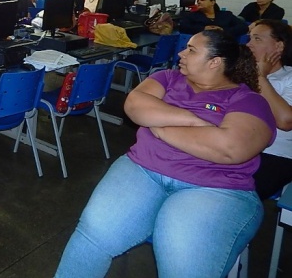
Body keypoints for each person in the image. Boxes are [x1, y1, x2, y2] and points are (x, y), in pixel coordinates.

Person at [55, 30, 276, 278]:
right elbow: (135, 105)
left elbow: (230, 148)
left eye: (191, 50)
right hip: (143, 169)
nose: (181, 53)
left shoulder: (248, 100)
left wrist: (159, 126)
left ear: (215, 62)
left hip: (214, 187)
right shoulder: (168, 77)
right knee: (93, 235)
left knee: (183, 268)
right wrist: (195, 122)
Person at [248, 20, 292, 199]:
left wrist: (260, 77)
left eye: (257, 39)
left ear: (279, 46)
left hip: (273, 155)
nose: (249, 44)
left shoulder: (289, 77)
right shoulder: (241, 75)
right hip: (237, 146)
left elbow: (285, 121)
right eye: (250, 38)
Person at [179, 0, 249, 37]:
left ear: (212, 2)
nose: (199, 2)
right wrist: (203, 29)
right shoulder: (192, 15)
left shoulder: (226, 15)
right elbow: (183, 27)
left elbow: (243, 27)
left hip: (224, 42)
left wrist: (223, 30)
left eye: (202, 0)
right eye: (198, 1)